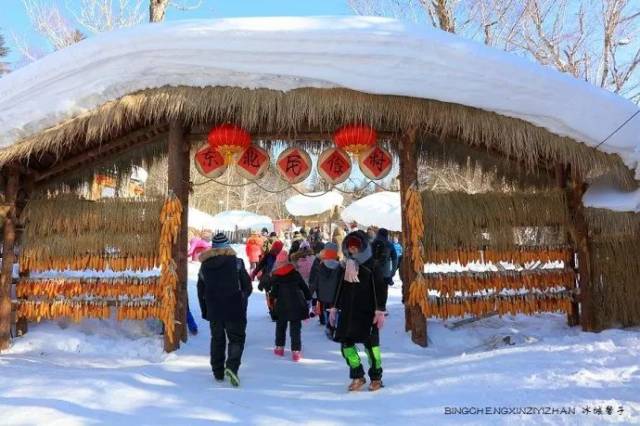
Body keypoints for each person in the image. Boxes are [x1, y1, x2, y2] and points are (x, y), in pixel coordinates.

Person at [329, 230, 387, 392]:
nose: (353, 250)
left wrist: (380, 309)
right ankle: (357, 375)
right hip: (348, 312)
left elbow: (381, 288)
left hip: (367, 312)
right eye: (350, 247)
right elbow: (339, 287)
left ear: (362, 247)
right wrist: (334, 306)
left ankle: (376, 377)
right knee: (346, 346)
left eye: (356, 247)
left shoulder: (372, 265)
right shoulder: (344, 266)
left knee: (372, 347)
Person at [197, 233, 252, 387]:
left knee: (217, 339)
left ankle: (218, 371)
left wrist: (205, 310)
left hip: (214, 308)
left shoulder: (204, 265)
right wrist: (242, 297)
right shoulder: (237, 263)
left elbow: (200, 290)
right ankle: (232, 367)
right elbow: (247, 286)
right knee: (236, 338)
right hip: (234, 307)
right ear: (227, 246)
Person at [270, 249, 312, 362]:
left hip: (282, 306)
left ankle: (279, 348)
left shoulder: (276, 276)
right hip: (296, 305)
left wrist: (271, 301)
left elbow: (273, 293)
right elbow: (305, 288)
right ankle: (296, 352)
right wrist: (308, 298)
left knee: (280, 327)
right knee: (295, 329)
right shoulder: (295, 273)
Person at [309, 242, 343, 338]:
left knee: (327, 309)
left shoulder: (320, 265)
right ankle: (334, 326)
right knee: (335, 309)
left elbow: (314, 281)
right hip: (336, 294)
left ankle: (329, 326)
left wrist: (310, 293)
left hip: (323, 295)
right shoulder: (340, 267)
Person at [252, 240, 284, 320]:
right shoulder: (269, 255)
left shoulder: (281, 255)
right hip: (269, 279)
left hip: (275, 278)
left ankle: (275, 311)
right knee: (271, 295)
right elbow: (260, 265)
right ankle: (273, 311)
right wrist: (254, 273)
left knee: (274, 295)